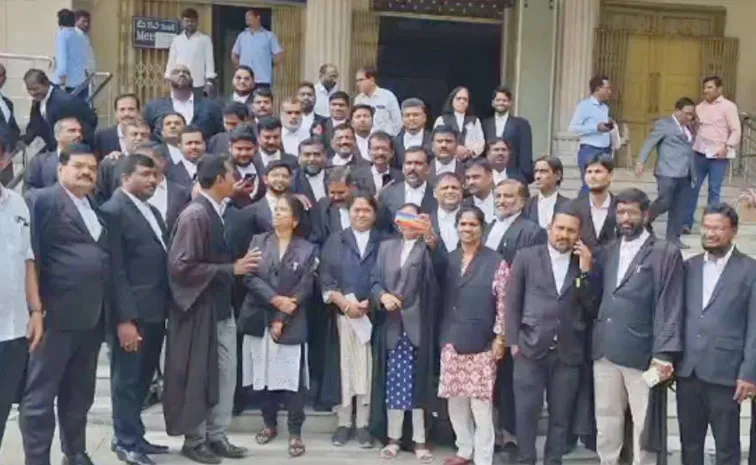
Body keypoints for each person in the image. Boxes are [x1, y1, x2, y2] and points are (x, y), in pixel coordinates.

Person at [163, 155, 261, 464]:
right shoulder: (195, 215)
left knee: (224, 375)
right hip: (198, 310)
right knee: (199, 376)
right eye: (232, 175)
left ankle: (216, 436)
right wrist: (232, 268)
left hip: (218, 308)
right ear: (219, 179)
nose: (236, 180)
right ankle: (195, 440)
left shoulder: (215, 211)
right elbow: (180, 267)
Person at [20, 143, 109, 465]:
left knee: (79, 395)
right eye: (79, 166)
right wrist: (35, 309)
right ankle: (37, 459)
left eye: (92, 168)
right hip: (53, 317)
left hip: (90, 319)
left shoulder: (94, 206)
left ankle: (75, 452)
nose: (86, 172)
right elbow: (30, 257)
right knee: (40, 397)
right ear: (61, 169)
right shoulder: (41, 201)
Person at [587, 188, 684, 465]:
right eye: (620, 212)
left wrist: (664, 354)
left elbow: (672, 303)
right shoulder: (608, 251)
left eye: (631, 212)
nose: (625, 218)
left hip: (644, 354)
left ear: (646, 214)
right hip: (605, 350)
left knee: (644, 424)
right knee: (606, 419)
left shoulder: (665, 252)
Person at [506, 207, 596, 465]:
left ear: (578, 234)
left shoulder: (584, 262)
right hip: (529, 348)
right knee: (526, 413)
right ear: (550, 228)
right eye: (560, 228)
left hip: (568, 352)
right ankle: (525, 459)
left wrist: (586, 271)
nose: (564, 234)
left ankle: (553, 460)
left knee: (561, 416)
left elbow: (591, 307)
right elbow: (512, 301)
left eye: (570, 230)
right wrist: (513, 343)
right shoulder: (526, 257)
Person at [100, 154, 170, 465]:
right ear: (125, 176)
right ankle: (125, 442)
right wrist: (124, 319)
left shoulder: (152, 210)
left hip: (155, 310)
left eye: (155, 175)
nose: (153, 180)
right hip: (132, 315)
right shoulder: (113, 211)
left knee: (142, 380)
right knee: (126, 381)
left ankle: (136, 435)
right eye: (145, 174)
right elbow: (114, 270)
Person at [239, 194, 318, 458]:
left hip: (291, 320)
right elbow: (249, 277)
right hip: (259, 317)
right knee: (263, 376)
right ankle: (269, 423)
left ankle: (295, 431)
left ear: (295, 220)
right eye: (276, 209)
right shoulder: (258, 242)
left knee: (291, 379)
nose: (277, 214)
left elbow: (305, 286)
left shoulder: (307, 249)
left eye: (283, 210)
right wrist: (274, 300)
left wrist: (282, 316)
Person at [677, 203, 756, 465]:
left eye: (718, 228)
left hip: (726, 373)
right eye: (707, 227)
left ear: (733, 231)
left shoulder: (750, 270)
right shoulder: (689, 267)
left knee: (727, 447)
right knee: (689, 444)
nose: (711, 233)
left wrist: (749, 373)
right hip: (688, 371)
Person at [369, 203, 444, 463]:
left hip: (418, 325)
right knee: (394, 386)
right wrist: (383, 296)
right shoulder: (386, 247)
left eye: (415, 218)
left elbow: (440, 267)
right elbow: (375, 281)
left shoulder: (428, 247)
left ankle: (420, 441)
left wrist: (430, 235)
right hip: (391, 324)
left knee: (418, 386)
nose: (409, 223)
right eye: (405, 218)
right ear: (398, 222)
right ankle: (393, 439)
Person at [438, 205, 509, 465]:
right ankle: (464, 450)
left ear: (482, 228)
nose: (467, 229)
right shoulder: (449, 258)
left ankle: (483, 457)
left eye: (473, 225)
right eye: (463, 224)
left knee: (481, 405)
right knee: (456, 401)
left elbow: (504, 302)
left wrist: (500, 337)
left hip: (482, 343)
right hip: (451, 338)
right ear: (457, 227)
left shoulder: (495, 261)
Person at [319, 192, 385, 448]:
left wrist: (369, 303)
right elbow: (325, 277)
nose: (360, 214)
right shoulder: (336, 240)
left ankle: (364, 425)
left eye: (366, 210)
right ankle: (344, 423)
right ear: (349, 212)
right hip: (343, 317)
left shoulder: (384, 241)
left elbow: (386, 275)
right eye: (356, 210)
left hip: (373, 317)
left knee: (367, 370)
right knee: (344, 370)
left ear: (374, 214)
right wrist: (345, 304)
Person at [0, 141, 43, 448]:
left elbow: (28, 260)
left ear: (4, 159)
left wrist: (36, 310)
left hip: (12, 331)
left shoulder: (17, 204)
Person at [636, 97, 696, 248]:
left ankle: (673, 238)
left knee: (678, 206)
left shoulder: (689, 127)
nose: (690, 116)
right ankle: (645, 218)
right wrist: (641, 161)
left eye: (692, 114)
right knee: (665, 201)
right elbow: (650, 142)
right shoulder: (664, 124)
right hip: (667, 171)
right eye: (687, 113)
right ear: (677, 111)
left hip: (686, 172)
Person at [684, 76, 742, 232]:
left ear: (719, 89)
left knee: (714, 191)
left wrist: (727, 146)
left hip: (718, 156)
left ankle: (711, 225)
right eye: (705, 87)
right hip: (699, 153)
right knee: (692, 188)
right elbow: (693, 129)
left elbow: (736, 130)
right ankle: (686, 223)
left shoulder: (728, 107)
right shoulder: (699, 107)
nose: (705, 91)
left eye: (710, 88)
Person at [22, 68, 98, 151]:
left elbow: (91, 118)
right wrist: (25, 140)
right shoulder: (38, 101)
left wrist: (78, 143)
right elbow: (35, 124)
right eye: (29, 89)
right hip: (54, 151)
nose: (32, 93)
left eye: (35, 89)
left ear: (46, 84)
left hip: (71, 152)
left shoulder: (65, 101)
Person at [143, 65, 223, 141]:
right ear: (168, 80)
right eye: (176, 72)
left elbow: (219, 134)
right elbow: (147, 134)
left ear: (192, 80)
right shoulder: (153, 107)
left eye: (186, 72)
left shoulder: (211, 107)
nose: (181, 74)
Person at [568, 76, 614, 195]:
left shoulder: (605, 108)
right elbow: (573, 128)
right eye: (607, 88)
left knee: (603, 184)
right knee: (589, 183)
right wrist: (596, 128)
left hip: (605, 150)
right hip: (590, 149)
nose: (610, 91)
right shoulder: (584, 106)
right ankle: (581, 210)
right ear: (598, 89)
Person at [482, 87, 534, 183]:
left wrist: (523, 176)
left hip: (513, 175)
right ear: (493, 102)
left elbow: (525, 151)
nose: (501, 103)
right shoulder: (485, 124)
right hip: (489, 176)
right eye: (498, 100)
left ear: (510, 103)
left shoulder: (521, 124)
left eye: (504, 100)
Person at [23, 116, 84, 195]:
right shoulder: (38, 163)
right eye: (72, 131)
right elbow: (28, 193)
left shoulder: (90, 162)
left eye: (80, 131)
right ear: (57, 136)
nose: (78, 135)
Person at [165, 8, 216, 97]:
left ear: (197, 22)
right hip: (179, 83)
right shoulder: (177, 40)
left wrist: (209, 82)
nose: (190, 23)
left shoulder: (205, 40)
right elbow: (171, 61)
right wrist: (168, 77)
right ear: (182, 22)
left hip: (198, 84)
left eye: (192, 21)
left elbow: (209, 62)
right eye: (187, 21)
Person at [231, 9, 284, 88]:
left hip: (263, 79)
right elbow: (234, 55)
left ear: (257, 17)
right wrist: (241, 68)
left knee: (262, 99)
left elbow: (279, 54)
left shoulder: (269, 36)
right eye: (246, 17)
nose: (246, 19)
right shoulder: (242, 36)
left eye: (249, 16)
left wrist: (270, 63)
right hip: (245, 79)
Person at [434, 86, 485, 161]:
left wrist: (469, 152)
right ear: (452, 101)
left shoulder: (475, 120)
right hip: (448, 160)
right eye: (458, 98)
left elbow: (480, 142)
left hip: (470, 161)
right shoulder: (441, 120)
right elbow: (436, 142)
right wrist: (454, 150)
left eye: (465, 99)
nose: (462, 101)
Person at [524, 156, 570, 229]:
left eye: (543, 171)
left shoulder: (569, 205)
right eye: (536, 171)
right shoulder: (526, 205)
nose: (537, 176)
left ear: (558, 175)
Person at [354, 66, 402, 136]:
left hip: (385, 140)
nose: (358, 84)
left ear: (372, 80)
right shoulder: (358, 99)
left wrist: (391, 139)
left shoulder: (387, 96)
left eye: (361, 80)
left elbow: (398, 122)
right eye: (357, 81)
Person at [94, 93, 141, 160]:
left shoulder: (146, 136)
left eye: (131, 109)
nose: (126, 113)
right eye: (122, 109)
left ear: (138, 112)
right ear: (116, 113)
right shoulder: (101, 136)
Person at [54, 9, 89, 98]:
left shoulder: (63, 35)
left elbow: (63, 59)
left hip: (68, 83)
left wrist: (62, 83)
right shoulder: (80, 35)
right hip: (81, 81)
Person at [393, 98, 432, 169]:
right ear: (402, 118)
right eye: (407, 115)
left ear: (424, 118)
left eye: (415, 115)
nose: (411, 118)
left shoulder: (433, 140)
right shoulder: (393, 142)